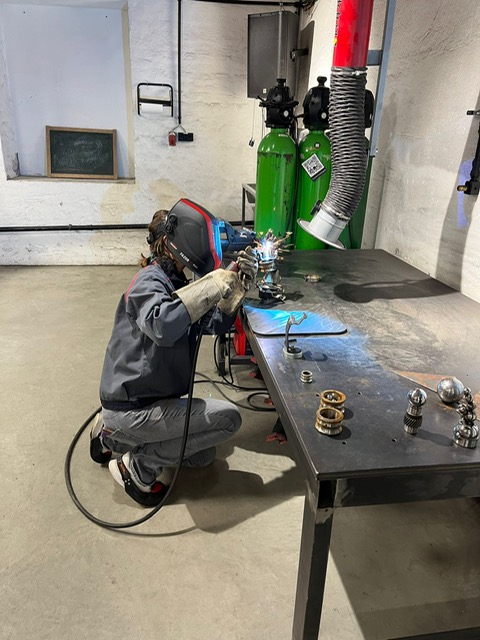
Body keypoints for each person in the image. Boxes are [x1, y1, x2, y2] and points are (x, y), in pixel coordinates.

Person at [90, 198, 258, 507]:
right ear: (172, 243)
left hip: (150, 398)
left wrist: (236, 288)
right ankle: (137, 467)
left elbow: (211, 323)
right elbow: (163, 325)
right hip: (134, 406)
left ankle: (111, 437)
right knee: (228, 420)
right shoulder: (149, 280)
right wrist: (210, 285)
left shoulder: (176, 281)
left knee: (203, 455)